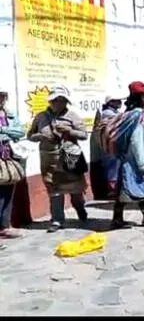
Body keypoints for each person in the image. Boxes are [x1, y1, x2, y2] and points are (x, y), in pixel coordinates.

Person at [27, 85, 88, 233]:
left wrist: (70, 131)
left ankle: (80, 209)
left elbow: (84, 135)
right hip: (49, 159)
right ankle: (57, 219)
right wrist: (40, 136)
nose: (58, 104)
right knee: (54, 190)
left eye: (62, 101)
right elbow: (30, 135)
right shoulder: (41, 117)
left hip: (69, 159)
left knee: (76, 191)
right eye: (55, 100)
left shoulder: (72, 116)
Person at [111, 81, 144, 229]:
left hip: (132, 158)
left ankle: (143, 216)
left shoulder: (132, 115)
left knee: (137, 187)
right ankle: (122, 218)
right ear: (140, 97)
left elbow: (142, 137)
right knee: (131, 188)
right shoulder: (137, 116)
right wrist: (141, 163)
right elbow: (136, 141)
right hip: (136, 158)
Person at [0, 87, 25, 239]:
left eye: (3, 97)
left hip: (9, 157)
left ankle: (4, 226)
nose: (1, 100)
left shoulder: (9, 114)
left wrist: (3, 130)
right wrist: (7, 133)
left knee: (8, 193)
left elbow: (20, 132)